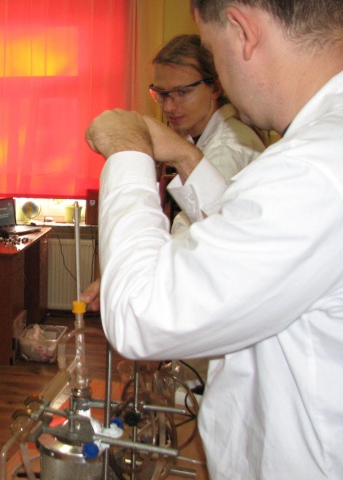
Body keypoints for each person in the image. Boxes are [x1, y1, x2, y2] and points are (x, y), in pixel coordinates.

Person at [82, 1, 343, 478]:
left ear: (242, 30)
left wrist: (126, 151)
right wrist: (185, 156)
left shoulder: (313, 167)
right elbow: (244, 245)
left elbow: (142, 313)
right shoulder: (320, 150)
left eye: (211, 48)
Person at [149, 33, 265, 235]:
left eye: (183, 92)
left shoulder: (225, 151)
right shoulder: (207, 136)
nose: (168, 107)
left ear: (215, 87)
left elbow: (200, 236)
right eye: (162, 94)